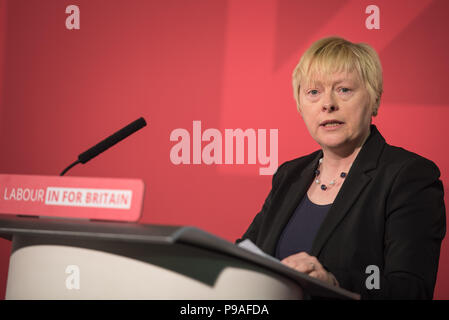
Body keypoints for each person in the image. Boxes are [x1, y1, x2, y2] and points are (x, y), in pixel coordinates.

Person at [236, 36, 446, 299]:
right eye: (314, 92)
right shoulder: (289, 175)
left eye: (343, 89)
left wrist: (333, 283)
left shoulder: (409, 176)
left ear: (374, 100)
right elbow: (245, 257)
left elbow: (411, 291)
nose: (328, 104)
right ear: (300, 106)